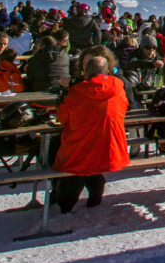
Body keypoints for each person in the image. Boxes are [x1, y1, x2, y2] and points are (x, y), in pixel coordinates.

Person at [50, 56, 127, 213]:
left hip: (80, 151)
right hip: (111, 150)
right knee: (91, 149)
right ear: (107, 71)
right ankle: (95, 187)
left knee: (58, 149)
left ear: (85, 72)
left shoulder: (77, 92)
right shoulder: (118, 89)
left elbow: (63, 118)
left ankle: (64, 202)